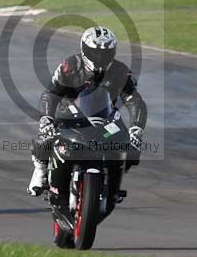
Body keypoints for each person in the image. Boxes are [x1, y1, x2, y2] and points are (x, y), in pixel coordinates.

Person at [27, 26, 147, 196]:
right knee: (45, 137)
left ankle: (112, 183)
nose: (100, 58)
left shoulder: (120, 71)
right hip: (69, 116)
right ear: (84, 50)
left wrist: (136, 130)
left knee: (131, 147)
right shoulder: (70, 66)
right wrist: (47, 119)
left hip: (106, 120)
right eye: (95, 52)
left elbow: (135, 101)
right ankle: (40, 170)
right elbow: (51, 94)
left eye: (105, 54)